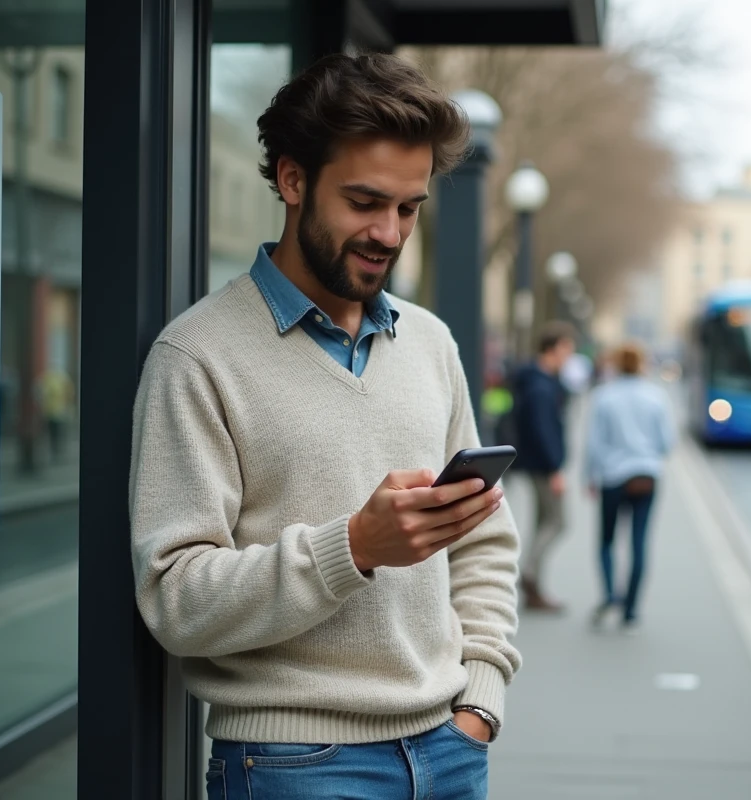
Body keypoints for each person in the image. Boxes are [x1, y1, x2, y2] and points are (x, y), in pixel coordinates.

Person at [129, 53, 520, 800]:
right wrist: (353, 548)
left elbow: (485, 543)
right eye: (366, 202)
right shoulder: (197, 354)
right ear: (292, 179)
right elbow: (175, 599)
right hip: (291, 765)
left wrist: (480, 700)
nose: (389, 232)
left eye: (408, 208)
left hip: (450, 749)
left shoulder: (431, 342)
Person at [585, 342, 675, 634]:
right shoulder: (656, 397)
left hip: (613, 476)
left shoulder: (604, 396)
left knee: (607, 540)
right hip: (646, 476)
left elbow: (595, 443)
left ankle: (611, 593)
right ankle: (632, 608)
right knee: (639, 542)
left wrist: (590, 476)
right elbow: (666, 443)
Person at [509, 321, 576, 612]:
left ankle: (535, 588)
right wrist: (554, 468)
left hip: (536, 464)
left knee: (542, 522)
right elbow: (542, 429)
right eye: (567, 349)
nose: (569, 356)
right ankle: (530, 574)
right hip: (543, 466)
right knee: (558, 522)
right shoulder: (540, 386)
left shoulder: (539, 381)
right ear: (555, 348)